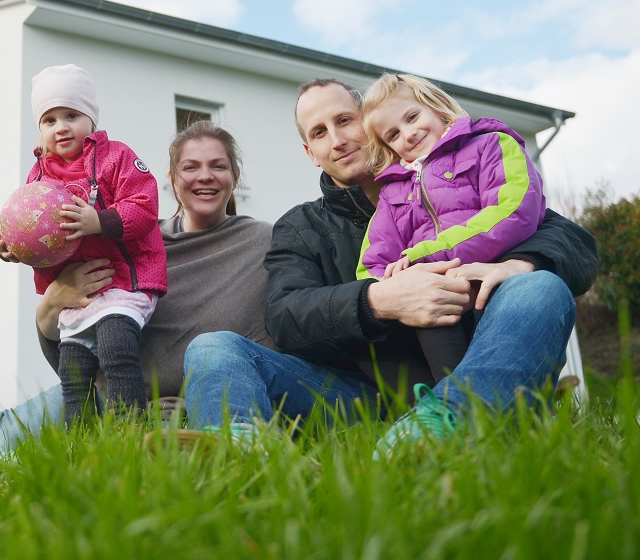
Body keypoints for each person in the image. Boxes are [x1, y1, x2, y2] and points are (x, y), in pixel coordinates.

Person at [183, 78, 596, 456]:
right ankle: (243, 451)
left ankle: (445, 420)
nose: (339, 140)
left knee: (539, 287)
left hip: (477, 361)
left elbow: (568, 239)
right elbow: (285, 317)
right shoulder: (302, 226)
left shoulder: (455, 174)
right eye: (320, 133)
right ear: (310, 153)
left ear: (370, 123)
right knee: (212, 347)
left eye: (345, 120)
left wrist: (519, 265)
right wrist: (380, 300)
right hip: (359, 397)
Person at [0, 119, 273, 453]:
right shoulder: (131, 248)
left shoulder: (263, 243)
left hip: (192, 411)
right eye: (191, 167)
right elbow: (68, 342)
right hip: (106, 397)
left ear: (234, 176)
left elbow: (271, 345)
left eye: (217, 166)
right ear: (171, 180)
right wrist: (46, 293)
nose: (204, 176)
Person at [0, 64, 168, 424]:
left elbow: (145, 205)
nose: (61, 127)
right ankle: (80, 443)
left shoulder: (116, 157)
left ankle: (128, 432)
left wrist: (98, 221)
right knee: (73, 372)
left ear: (91, 118)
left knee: (116, 347)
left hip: (122, 281)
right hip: (77, 294)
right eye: (49, 120)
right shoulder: (37, 175)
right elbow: (31, 228)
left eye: (71, 115)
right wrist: (11, 247)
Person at [358, 73, 546, 383]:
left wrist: (422, 257)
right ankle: (454, 408)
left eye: (412, 116)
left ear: (437, 107)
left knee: (507, 361)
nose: (408, 133)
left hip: (494, 281)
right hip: (438, 302)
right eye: (393, 134)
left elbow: (513, 211)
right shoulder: (392, 194)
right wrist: (399, 284)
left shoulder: (490, 144)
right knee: (438, 333)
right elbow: (370, 266)